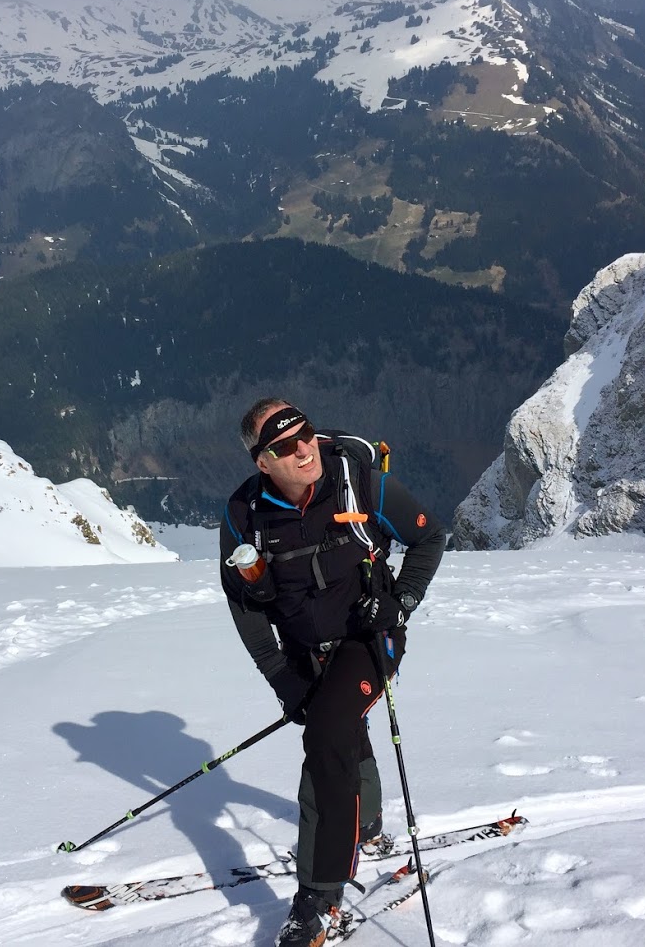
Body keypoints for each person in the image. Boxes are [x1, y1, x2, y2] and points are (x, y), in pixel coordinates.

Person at [219, 398, 447, 947]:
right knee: (338, 725)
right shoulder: (243, 515)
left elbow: (428, 537)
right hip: (301, 648)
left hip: (370, 638)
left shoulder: (360, 484)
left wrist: (403, 602)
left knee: (325, 735)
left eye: (306, 434)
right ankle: (363, 822)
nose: (303, 449)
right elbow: (245, 604)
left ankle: (319, 896)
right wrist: (280, 676)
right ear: (262, 462)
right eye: (283, 445)